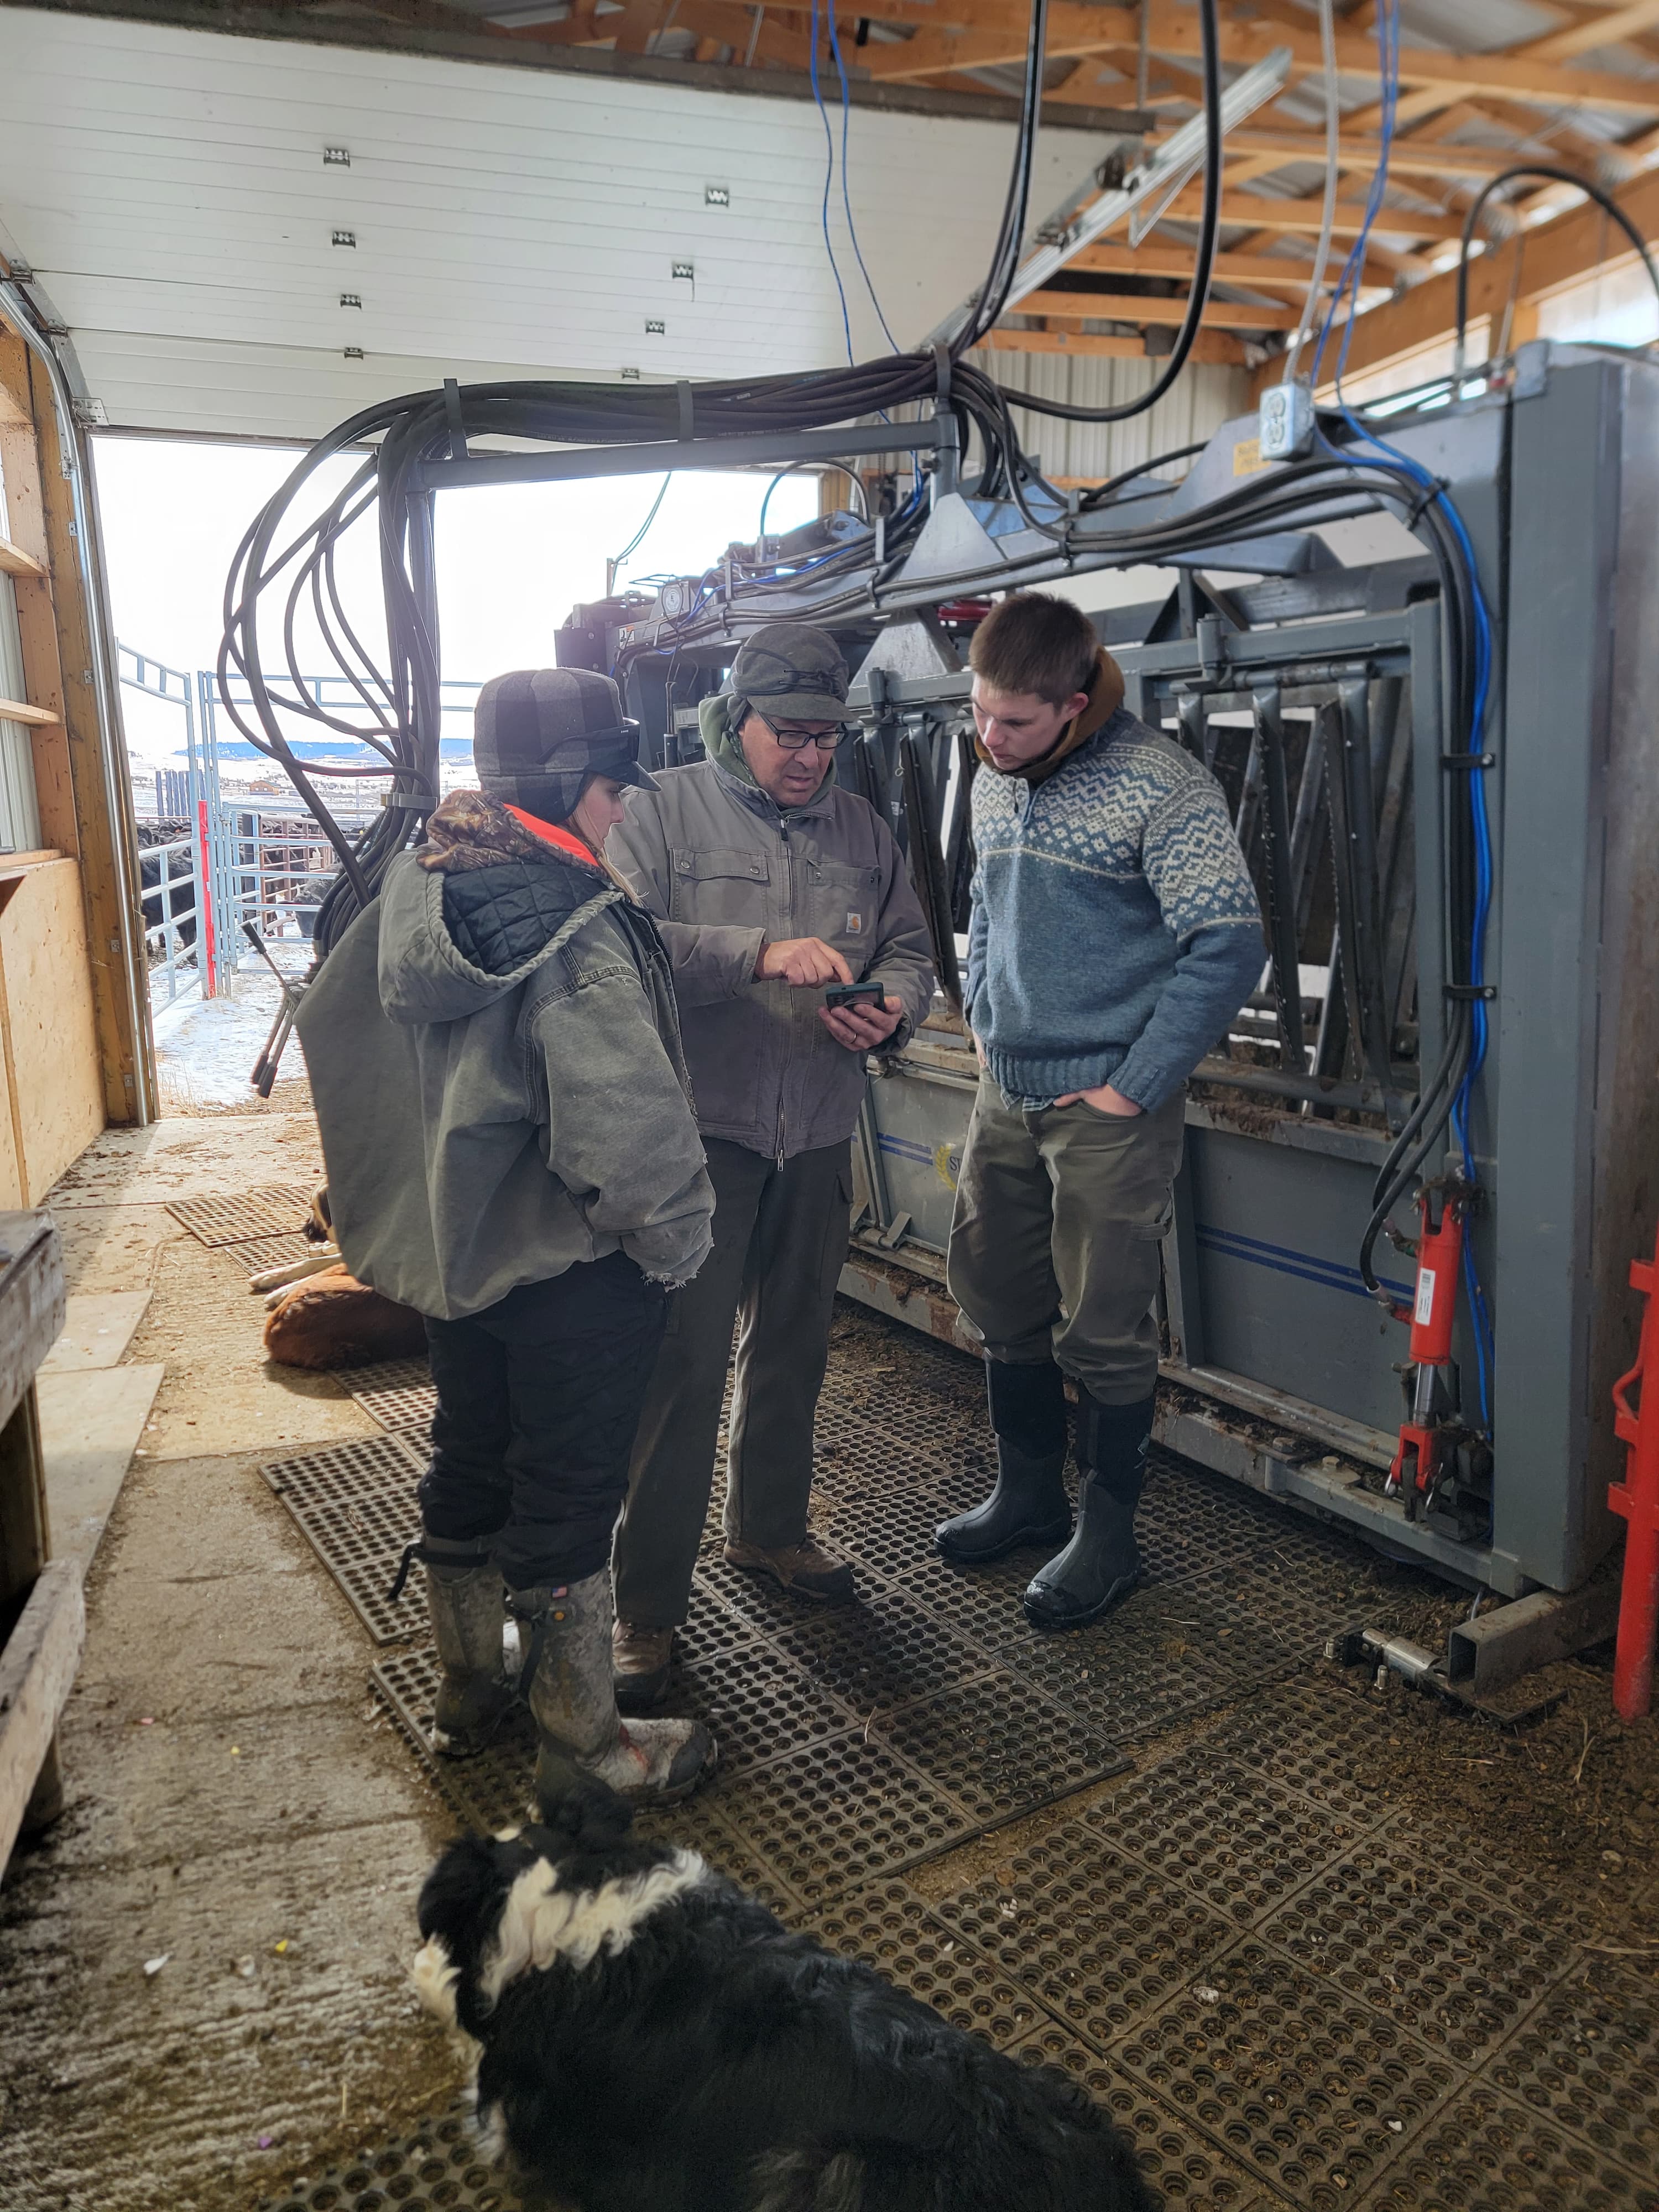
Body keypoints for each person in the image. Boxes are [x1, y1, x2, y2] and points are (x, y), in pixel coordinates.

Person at [296, 666, 717, 1810]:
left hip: (461, 1254)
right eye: (612, 783)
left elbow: (341, 1049)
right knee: (572, 1492)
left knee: (471, 1454)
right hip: (572, 1263)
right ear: (577, 781)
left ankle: (469, 1688)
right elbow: (624, 1124)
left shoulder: (414, 883)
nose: (622, 806)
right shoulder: (568, 927)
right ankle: (585, 1743)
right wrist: (674, 1245)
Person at [607, 621, 936, 1709]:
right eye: (788, 734)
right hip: (708, 1135)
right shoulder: (658, 810)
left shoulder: (860, 827)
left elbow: (908, 943)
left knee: (794, 1346)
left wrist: (893, 1008)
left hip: (820, 1129)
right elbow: (619, 943)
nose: (808, 755)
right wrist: (754, 951)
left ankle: (771, 1533)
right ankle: (645, 1608)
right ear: (733, 718)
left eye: (823, 738)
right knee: (684, 1370)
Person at [936, 592, 1264, 1631]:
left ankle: (1110, 1538)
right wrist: (986, 1015)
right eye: (979, 714)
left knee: (1105, 1324)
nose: (990, 739)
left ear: (1074, 705)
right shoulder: (994, 773)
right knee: (998, 1292)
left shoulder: (1162, 788)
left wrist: (1136, 1081)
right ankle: (1029, 1495)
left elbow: (1228, 945)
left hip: (1106, 1109)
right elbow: (985, 903)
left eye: (1015, 723)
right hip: (1008, 1088)